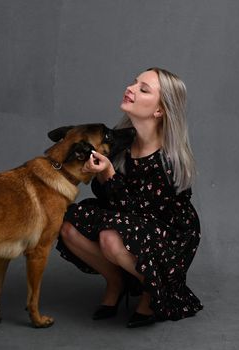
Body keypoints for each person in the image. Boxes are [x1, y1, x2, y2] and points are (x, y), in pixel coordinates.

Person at [56, 67, 203, 328]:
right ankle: (116, 281)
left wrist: (110, 173)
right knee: (67, 226)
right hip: (129, 220)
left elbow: (139, 213)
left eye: (143, 89)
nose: (131, 89)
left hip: (166, 233)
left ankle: (152, 290)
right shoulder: (120, 141)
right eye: (134, 83)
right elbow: (108, 201)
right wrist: (102, 175)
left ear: (159, 111)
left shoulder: (167, 160)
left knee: (110, 237)